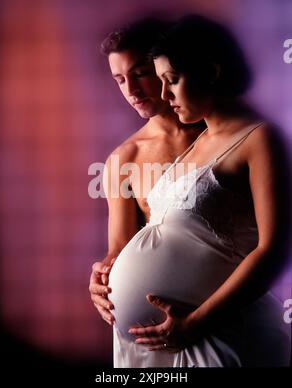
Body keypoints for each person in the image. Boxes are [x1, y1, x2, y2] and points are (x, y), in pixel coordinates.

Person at [117, 14, 291, 367]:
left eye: (173, 81)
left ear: (211, 72)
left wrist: (196, 323)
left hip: (217, 335)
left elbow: (273, 249)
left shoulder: (259, 139)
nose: (164, 94)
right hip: (158, 347)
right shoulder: (197, 142)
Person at [89, 20, 204, 340]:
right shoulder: (124, 159)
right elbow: (119, 249)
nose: (131, 90)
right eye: (120, 79)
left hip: (222, 305)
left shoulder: (221, 133)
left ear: (164, 66)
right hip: (154, 325)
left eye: (139, 73)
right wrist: (101, 275)